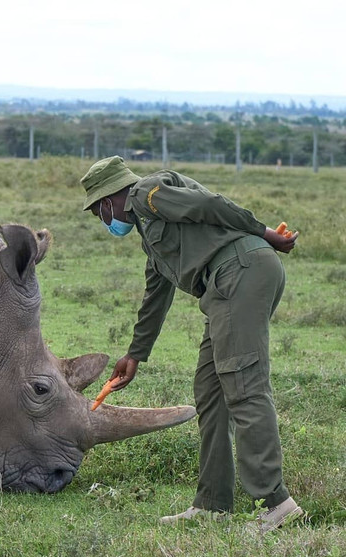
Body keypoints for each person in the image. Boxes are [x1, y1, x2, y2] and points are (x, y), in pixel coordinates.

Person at [80, 156, 303, 533]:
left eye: (98, 213)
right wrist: (135, 355)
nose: (102, 222)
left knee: (244, 386)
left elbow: (210, 205)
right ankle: (212, 505)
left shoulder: (146, 194)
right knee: (211, 389)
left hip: (239, 272)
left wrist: (267, 233)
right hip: (227, 284)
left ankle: (275, 504)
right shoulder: (150, 232)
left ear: (107, 201)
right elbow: (157, 293)